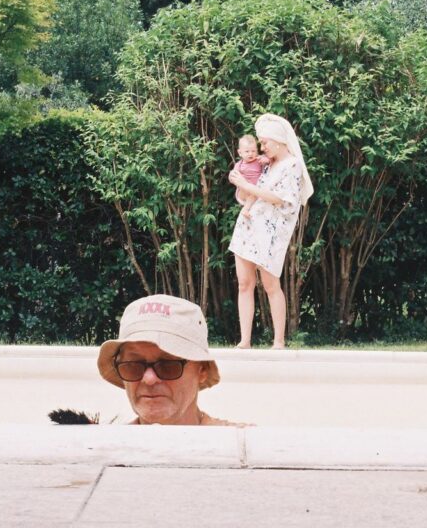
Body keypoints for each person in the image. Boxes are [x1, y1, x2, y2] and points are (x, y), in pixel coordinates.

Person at [227, 113, 314, 349]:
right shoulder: (264, 164)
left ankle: (278, 340)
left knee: (270, 285)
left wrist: (245, 185)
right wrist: (240, 184)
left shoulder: (292, 165)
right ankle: (245, 340)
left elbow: (282, 199)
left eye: (264, 142)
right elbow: (248, 193)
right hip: (248, 226)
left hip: (270, 233)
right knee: (244, 284)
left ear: (278, 141)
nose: (262, 147)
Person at [97, 294, 242, 426]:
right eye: (133, 366)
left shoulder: (240, 441)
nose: (149, 379)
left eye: (168, 365)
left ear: (202, 370)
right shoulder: (102, 443)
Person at [233, 133, 270, 219]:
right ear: (240, 153)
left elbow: (270, 161)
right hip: (243, 191)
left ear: (257, 150)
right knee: (251, 193)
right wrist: (233, 178)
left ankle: (247, 209)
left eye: (253, 151)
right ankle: (245, 209)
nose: (250, 154)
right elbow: (233, 176)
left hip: (255, 191)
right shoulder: (239, 165)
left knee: (254, 194)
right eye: (247, 151)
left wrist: (266, 160)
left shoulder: (259, 160)